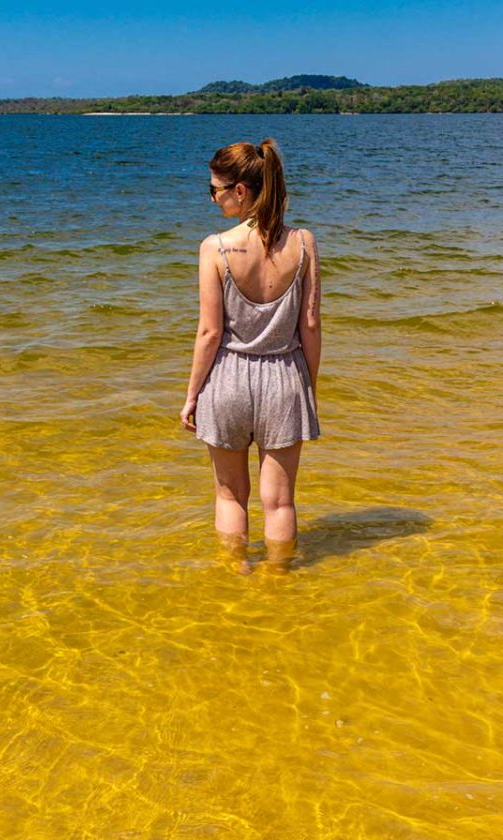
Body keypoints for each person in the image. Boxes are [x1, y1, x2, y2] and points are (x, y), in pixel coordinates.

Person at [180, 137, 321, 573]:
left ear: (241, 191)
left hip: (227, 381)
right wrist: (307, 387)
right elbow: (311, 326)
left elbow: (209, 333)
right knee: (280, 503)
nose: (212, 198)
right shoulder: (303, 243)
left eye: (215, 189)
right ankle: (278, 579)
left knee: (229, 495)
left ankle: (236, 579)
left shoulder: (215, 248)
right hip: (284, 377)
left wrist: (190, 396)